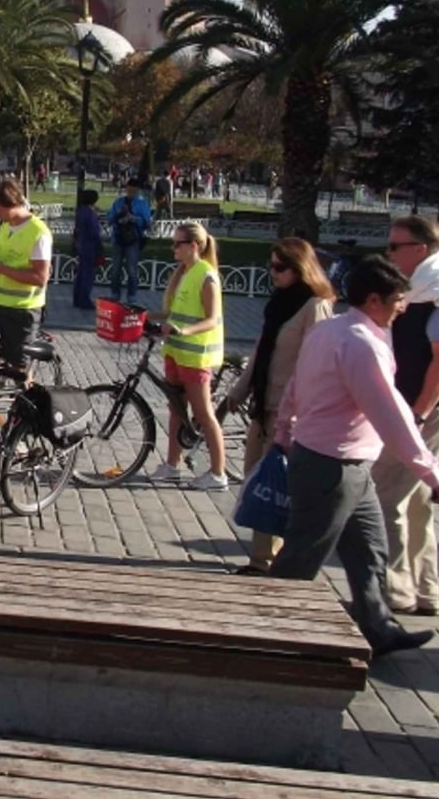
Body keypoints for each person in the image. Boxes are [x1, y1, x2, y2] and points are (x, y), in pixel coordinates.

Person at [271, 256, 439, 657]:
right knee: (302, 556)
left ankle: (377, 627)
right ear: (374, 300)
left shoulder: (330, 331)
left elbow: (295, 387)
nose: (402, 308)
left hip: (344, 464)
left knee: (370, 549)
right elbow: (390, 414)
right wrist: (431, 473)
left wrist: (285, 430)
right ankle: (264, 632)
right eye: (398, 300)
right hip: (331, 467)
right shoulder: (360, 343)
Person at [372, 216, 439, 617]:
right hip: (414, 409)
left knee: (386, 498)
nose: (389, 253)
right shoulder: (420, 290)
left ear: (420, 249)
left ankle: (394, 594)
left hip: (427, 413)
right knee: (415, 503)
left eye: (395, 247)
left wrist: (418, 414)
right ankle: (424, 592)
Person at [225, 238, 334, 573]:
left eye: (280, 267)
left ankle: (274, 559)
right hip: (263, 402)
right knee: (259, 479)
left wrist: (299, 409)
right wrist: (238, 391)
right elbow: (262, 349)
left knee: (280, 485)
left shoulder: (315, 305)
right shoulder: (279, 302)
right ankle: (261, 558)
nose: (273, 273)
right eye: (270, 266)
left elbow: (317, 362)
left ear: (301, 268)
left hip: (290, 410)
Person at [148, 222, 227, 489]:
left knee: (204, 413)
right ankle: (172, 465)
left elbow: (212, 319)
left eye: (178, 243)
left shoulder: (207, 276)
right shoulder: (183, 273)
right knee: (176, 410)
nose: (173, 248)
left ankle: (218, 473)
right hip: (176, 351)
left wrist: (184, 330)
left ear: (194, 246)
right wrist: (145, 316)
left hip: (196, 355)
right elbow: (173, 314)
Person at [0, 178, 51, 370]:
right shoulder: (5, 224)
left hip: (22, 311)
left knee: (19, 370)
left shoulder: (38, 232)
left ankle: (28, 396)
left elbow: (40, 278)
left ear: (10, 204)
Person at [105, 179, 152, 305]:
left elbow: (147, 222)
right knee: (116, 269)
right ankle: (115, 294)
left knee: (132, 270)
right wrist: (119, 218)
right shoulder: (119, 202)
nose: (131, 192)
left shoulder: (142, 204)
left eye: (133, 190)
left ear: (137, 190)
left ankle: (132, 296)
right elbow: (109, 219)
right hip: (118, 238)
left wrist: (134, 219)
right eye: (129, 189)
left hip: (133, 240)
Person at [71, 189, 103, 310]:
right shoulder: (91, 214)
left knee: (80, 273)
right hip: (90, 246)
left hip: (81, 244)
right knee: (88, 274)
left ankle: (77, 298)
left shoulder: (80, 211)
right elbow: (94, 232)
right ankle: (85, 299)